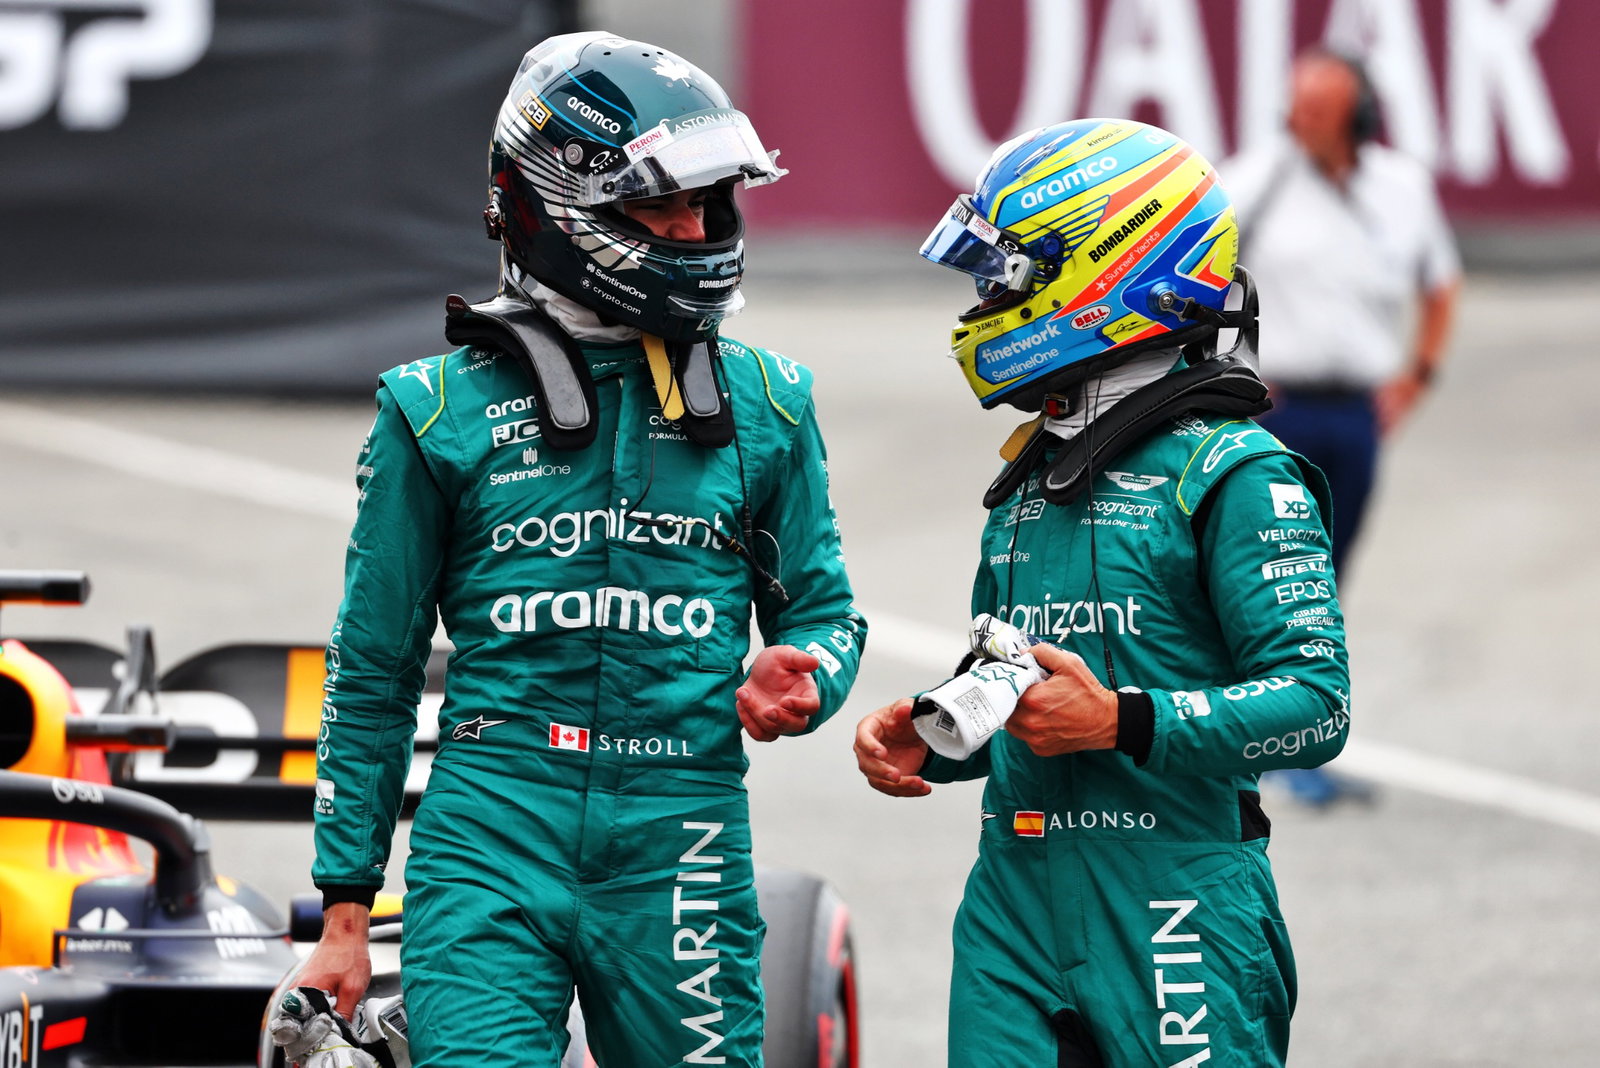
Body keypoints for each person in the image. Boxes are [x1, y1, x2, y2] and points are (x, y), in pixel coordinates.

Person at [289, 31, 866, 1067]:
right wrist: (345, 909)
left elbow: (824, 615)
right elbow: (371, 668)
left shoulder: (771, 402)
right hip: (490, 830)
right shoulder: (431, 410)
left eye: (709, 202)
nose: (695, 229)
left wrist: (811, 675)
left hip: (683, 831)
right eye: (661, 206)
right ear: (551, 206)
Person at [854, 118, 1351, 1066]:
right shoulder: (1030, 477)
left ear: (1110, 264)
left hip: (1178, 901)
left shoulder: (1239, 473)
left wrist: (1120, 721)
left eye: (1005, 276)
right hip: (1013, 903)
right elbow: (1020, 680)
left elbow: (1318, 707)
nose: (984, 302)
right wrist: (936, 730)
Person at [1223, 47, 1459, 806]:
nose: (1302, 122)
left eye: (1320, 110)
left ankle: (1293, 735)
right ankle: (1251, 737)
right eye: (1297, 107)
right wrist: (1232, 374)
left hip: (1357, 412)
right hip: (1277, 410)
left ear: (1359, 114)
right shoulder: (1253, 180)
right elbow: (1199, 279)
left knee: (1325, 576)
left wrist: (1417, 376)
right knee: (1265, 572)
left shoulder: (1402, 188)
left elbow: (1440, 283)